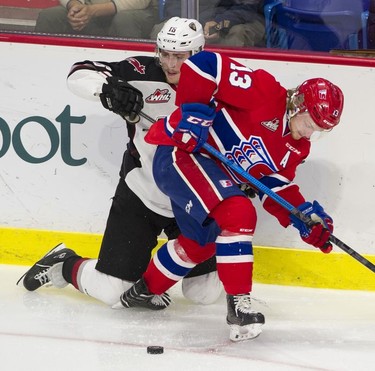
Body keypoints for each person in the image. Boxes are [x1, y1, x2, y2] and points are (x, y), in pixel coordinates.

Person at [114, 50, 344, 342]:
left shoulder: (297, 148)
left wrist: (303, 217)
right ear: (297, 104)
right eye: (310, 124)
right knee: (238, 212)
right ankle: (239, 307)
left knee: (201, 244)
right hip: (181, 153)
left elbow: (273, 186)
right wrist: (194, 112)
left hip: (210, 174)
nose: (310, 135)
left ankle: (144, 291)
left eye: (319, 131)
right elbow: (205, 64)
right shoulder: (264, 91)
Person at [17, 17, 222, 308]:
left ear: (198, 53)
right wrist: (108, 89)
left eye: (179, 56)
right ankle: (64, 264)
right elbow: (79, 72)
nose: (170, 64)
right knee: (113, 292)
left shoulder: (222, 84)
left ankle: (148, 283)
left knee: (205, 294)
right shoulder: (141, 70)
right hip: (142, 193)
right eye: (165, 53)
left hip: (193, 200)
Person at [150, 0, 266, 47]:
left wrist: (218, 23)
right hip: (200, 21)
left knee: (237, 34)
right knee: (160, 30)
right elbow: (175, 6)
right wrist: (197, 26)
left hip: (245, 18)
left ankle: (228, 78)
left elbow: (246, 8)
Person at [35, 0, 158, 39]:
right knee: (50, 16)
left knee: (124, 20)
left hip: (135, 12)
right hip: (87, 7)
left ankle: (131, 76)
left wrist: (92, 11)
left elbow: (140, 2)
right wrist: (75, 6)